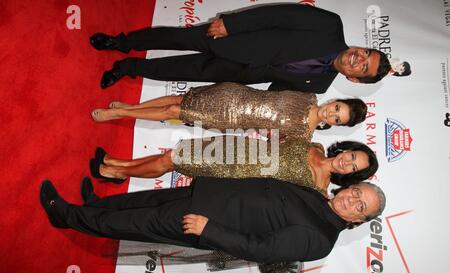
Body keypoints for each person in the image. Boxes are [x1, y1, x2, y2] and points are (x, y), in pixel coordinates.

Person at [39, 176, 386, 264]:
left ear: (359, 220)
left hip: (201, 219)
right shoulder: (319, 197)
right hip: (205, 195)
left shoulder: (321, 239)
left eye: (361, 206)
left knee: (136, 221)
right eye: (358, 192)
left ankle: (66, 216)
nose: (353, 199)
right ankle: (95, 206)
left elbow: (262, 249)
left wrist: (210, 230)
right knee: (140, 200)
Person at [90, 3, 395, 92]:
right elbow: (278, 14)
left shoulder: (320, 85)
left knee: (173, 69)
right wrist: (232, 25)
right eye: (365, 53)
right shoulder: (330, 25)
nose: (358, 58)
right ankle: (121, 43)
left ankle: (127, 68)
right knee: (173, 37)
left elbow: (277, 90)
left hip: (236, 72)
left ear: (354, 79)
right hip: (232, 37)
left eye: (362, 67)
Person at [89, 139, 378, 195]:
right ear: (348, 149)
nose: (347, 162)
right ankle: (119, 164)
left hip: (236, 172)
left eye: (353, 168)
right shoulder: (314, 146)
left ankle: (116, 172)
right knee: (175, 154)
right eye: (353, 156)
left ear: (349, 176)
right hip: (238, 147)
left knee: (171, 162)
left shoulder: (318, 187)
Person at [90, 82, 367, 139]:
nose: (332, 113)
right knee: (180, 97)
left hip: (232, 118)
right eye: (337, 108)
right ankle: (130, 107)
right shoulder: (309, 94)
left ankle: (118, 114)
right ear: (336, 101)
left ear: (336, 124)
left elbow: (271, 140)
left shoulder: (303, 134)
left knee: (175, 110)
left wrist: (269, 135)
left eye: (337, 119)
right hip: (234, 93)